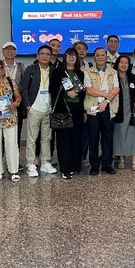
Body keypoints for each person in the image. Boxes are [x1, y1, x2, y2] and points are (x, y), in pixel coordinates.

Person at [49, 48, 86, 179]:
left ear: (77, 58)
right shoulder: (58, 72)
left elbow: (83, 93)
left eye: (74, 55)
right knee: (63, 140)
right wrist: (66, 92)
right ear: (65, 57)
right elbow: (52, 89)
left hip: (77, 109)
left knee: (76, 139)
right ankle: (65, 168)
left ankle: (75, 167)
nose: (71, 57)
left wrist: (84, 111)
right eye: (69, 55)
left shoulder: (80, 73)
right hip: (63, 109)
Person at [21, 45, 57, 177]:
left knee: (47, 137)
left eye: (47, 54)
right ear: (37, 56)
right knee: (32, 138)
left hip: (48, 108)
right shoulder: (31, 69)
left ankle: (45, 162)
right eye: (42, 53)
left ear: (50, 56)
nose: (44, 56)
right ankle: (30, 163)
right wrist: (28, 106)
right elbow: (24, 88)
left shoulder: (53, 71)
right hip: (34, 108)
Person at [84, 47, 120, 175]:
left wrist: (106, 101)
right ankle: (94, 165)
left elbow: (116, 89)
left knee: (108, 137)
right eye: (97, 55)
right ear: (94, 57)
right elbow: (89, 90)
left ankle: (107, 164)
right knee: (93, 137)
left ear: (106, 57)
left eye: (102, 55)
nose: (100, 57)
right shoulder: (87, 71)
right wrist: (105, 95)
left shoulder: (113, 72)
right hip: (93, 107)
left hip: (108, 107)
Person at [112, 55, 135, 170]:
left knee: (132, 135)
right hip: (118, 111)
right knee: (119, 134)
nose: (124, 65)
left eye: (126, 63)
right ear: (117, 64)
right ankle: (121, 158)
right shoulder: (113, 77)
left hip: (131, 111)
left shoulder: (134, 78)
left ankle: (134, 160)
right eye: (121, 62)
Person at [2, 41, 25, 156]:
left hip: (17, 103)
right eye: (7, 49)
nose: (10, 52)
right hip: (1, 104)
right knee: (1, 132)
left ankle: (15, 159)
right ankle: (0, 160)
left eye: (12, 49)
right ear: (3, 52)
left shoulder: (21, 67)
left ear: (16, 52)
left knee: (17, 131)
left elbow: (24, 85)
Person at [74, 40, 92, 167]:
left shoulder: (89, 66)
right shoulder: (69, 66)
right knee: (73, 132)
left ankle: (82, 157)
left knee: (86, 132)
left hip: (87, 102)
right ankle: (73, 156)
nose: (81, 51)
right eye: (78, 48)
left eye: (84, 49)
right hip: (73, 102)